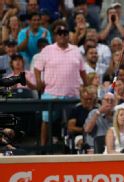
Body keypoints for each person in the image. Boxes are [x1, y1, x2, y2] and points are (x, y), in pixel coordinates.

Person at [34, 21, 88, 149]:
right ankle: (43, 147)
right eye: (59, 33)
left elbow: (82, 71)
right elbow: (37, 68)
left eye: (65, 33)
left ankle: (69, 148)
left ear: (68, 35)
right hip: (51, 93)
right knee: (46, 121)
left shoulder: (75, 50)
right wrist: (38, 81)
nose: (62, 36)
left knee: (71, 122)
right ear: (55, 36)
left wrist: (87, 86)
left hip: (72, 93)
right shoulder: (47, 50)